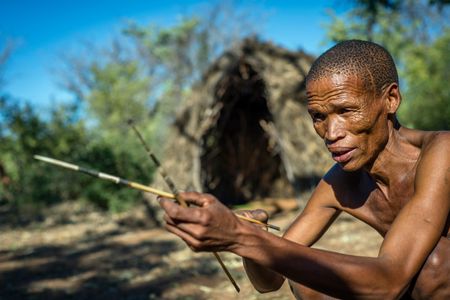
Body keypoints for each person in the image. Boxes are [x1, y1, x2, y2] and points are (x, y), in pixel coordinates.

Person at [159, 40, 450, 299]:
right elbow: (270, 281)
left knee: (435, 263)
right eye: (318, 116)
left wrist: (239, 236)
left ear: (390, 99)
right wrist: (249, 237)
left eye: (346, 111)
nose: (331, 132)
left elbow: (390, 281)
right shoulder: (340, 183)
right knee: (307, 280)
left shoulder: (440, 152)